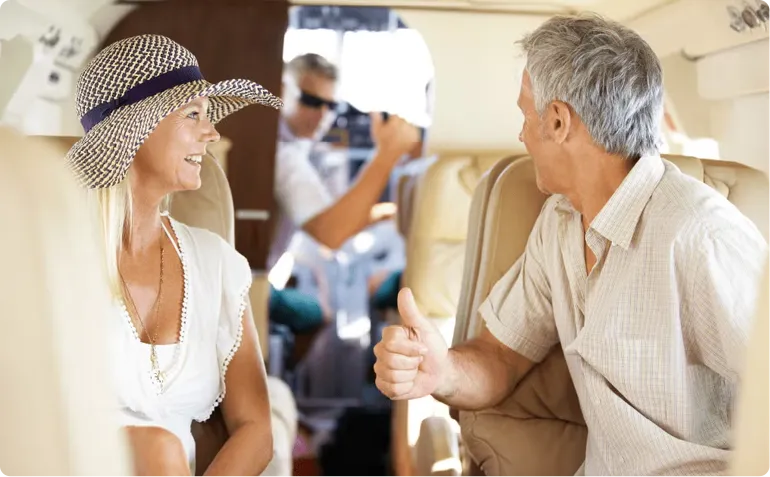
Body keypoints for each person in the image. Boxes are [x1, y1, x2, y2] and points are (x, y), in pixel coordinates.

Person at [373, 13, 768, 476]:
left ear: (558, 121)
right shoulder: (559, 224)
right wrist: (441, 371)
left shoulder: (702, 236)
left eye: (526, 114)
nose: (522, 134)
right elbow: (501, 357)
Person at [65, 34, 280, 476]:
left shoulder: (216, 264)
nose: (213, 132)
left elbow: (257, 428)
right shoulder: (57, 254)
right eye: (193, 114)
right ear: (135, 128)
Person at [269, 53, 420, 335]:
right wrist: (386, 155)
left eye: (330, 105)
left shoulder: (293, 146)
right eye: (312, 102)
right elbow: (331, 234)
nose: (323, 115)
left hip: (256, 280)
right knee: (320, 315)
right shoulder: (282, 152)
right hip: (253, 287)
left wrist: (381, 214)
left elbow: (332, 217)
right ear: (282, 91)